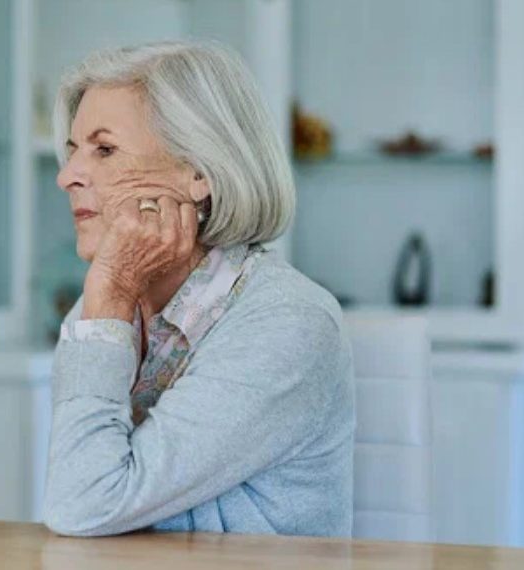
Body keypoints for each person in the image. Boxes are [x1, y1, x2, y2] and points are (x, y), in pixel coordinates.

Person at [43, 40, 355, 537]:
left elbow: (83, 505)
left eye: (104, 149)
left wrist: (109, 297)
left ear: (199, 173)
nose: (67, 177)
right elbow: (80, 501)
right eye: (72, 151)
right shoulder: (102, 307)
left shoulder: (289, 322)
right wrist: (109, 300)